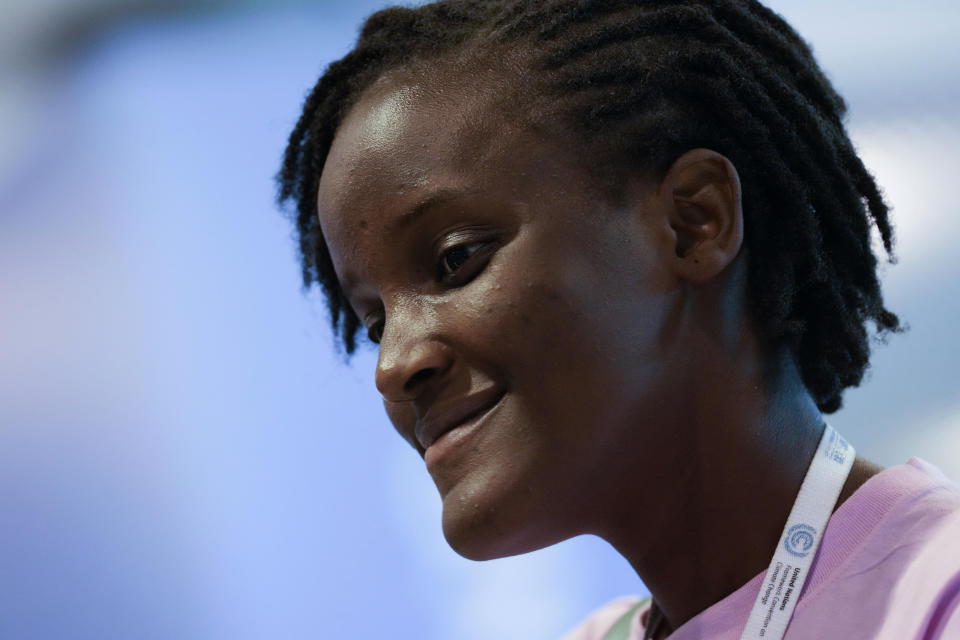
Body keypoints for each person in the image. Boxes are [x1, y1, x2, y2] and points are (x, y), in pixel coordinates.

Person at [276, 1, 960, 638]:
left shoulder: (938, 591)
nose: (393, 365)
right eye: (373, 321)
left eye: (457, 260)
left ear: (694, 222)